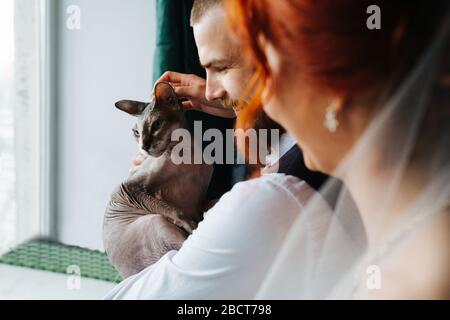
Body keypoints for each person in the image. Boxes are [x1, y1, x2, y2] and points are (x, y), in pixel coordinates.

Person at [103, 0, 330, 298]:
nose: (208, 91)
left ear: (276, 56)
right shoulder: (299, 146)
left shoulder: (270, 196)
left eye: (221, 67)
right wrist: (239, 105)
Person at [225, 0, 450, 299]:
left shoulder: (416, 284)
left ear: (333, 88)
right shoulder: (407, 247)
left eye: (267, 69)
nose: (266, 100)